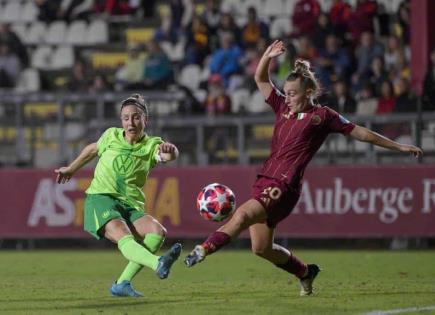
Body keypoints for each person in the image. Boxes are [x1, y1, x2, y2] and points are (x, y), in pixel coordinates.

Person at [184, 40, 423, 296]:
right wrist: (267, 56)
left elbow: (361, 133)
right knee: (261, 248)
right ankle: (305, 272)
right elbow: (260, 78)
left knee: (240, 216)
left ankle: (203, 249)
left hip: (284, 186)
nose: (287, 97)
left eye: (292, 93)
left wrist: (398, 147)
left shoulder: (322, 116)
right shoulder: (281, 107)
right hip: (265, 180)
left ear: (308, 92)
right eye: (285, 92)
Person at [55, 93, 182, 297]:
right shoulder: (111, 135)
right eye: (125, 118)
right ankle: (157, 263)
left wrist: (171, 150)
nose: (130, 122)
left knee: (158, 232)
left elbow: (167, 154)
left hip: (130, 205)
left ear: (145, 120)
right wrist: (71, 169)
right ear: (121, 120)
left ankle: (122, 284)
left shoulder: (151, 145)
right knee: (125, 235)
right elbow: (92, 150)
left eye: (136, 117)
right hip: (101, 198)